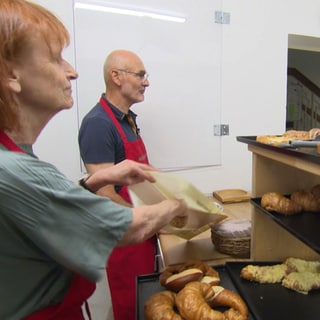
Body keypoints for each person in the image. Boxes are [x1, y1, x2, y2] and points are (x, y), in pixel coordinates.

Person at [0, 1, 187, 319]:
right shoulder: (13, 170)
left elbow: (46, 204)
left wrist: (92, 181)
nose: (72, 71)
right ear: (11, 75)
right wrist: (180, 205)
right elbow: (121, 225)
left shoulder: (18, 159)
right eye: (56, 58)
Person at [78, 49, 155, 319]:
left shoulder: (127, 118)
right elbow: (104, 195)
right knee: (131, 307)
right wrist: (150, 219)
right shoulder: (98, 124)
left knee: (147, 304)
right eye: (141, 75)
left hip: (143, 230)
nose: (146, 82)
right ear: (116, 77)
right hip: (127, 237)